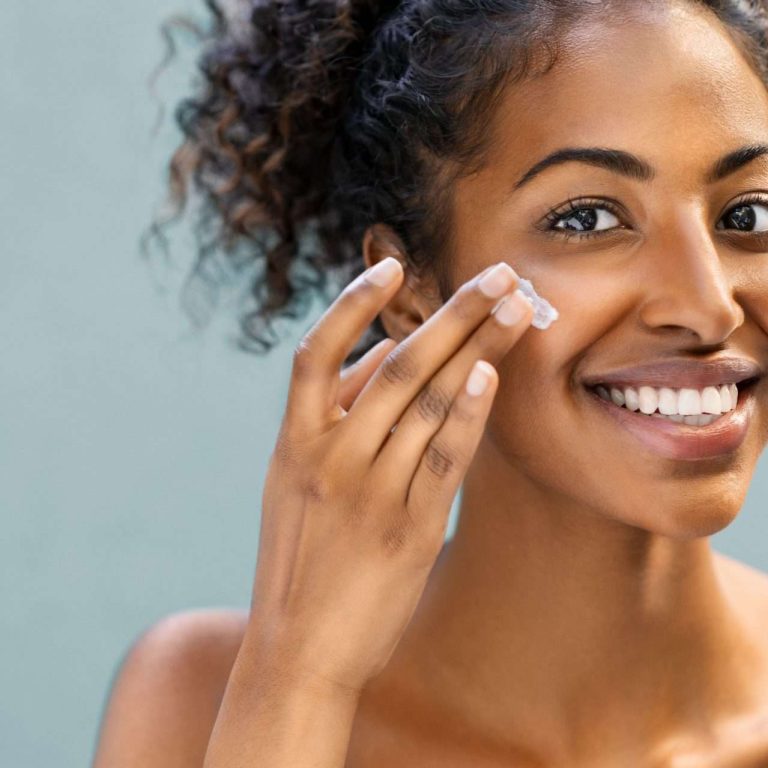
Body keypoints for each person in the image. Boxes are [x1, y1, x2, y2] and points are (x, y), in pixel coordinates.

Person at [93, 0, 768, 764]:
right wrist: (301, 679)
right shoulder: (200, 702)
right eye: (587, 219)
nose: (709, 306)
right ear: (411, 290)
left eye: (748, 211)